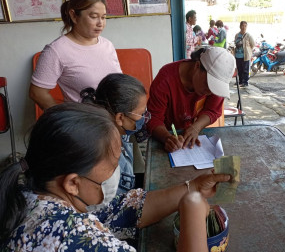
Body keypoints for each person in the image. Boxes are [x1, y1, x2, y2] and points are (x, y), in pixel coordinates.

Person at [0, 102, 231, 251]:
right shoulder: (75, 238)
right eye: (111, 167)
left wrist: (193, 188)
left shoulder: (29, 192)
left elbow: (122, 211)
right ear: (72, 183)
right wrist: (192, 210)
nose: (114, 174)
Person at [29, 0, 122, 109]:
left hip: (113, 119)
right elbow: (37, 93)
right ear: (74, 16)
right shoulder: (57, 50)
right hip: (85, 123)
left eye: (104, 17)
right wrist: (65, 119)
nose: (100, 23)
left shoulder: (107, 45)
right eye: (94, 17)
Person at [146, 47, 235, 153]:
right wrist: (167, 138)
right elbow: (154, 117)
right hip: (167, 132)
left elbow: (213, 110)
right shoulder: (166, 79)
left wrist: (196, 127)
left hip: (192, 136)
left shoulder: (214, 80)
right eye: (208, 85)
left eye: (214, 89)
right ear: (197, 66)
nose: (210, 92)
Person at [81, 73, 148, 194]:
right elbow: (116, 206)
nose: (143, 118)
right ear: (120, 117)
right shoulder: (104, 156)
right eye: (141, 114)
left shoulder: (118, 129)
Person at [234, 21, 255, 88]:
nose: (243, 27)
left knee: (245, 70)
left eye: (245, 26)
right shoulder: (237, 35)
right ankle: (240, 81)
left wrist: (248, 50)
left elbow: (253, 44)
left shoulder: (248, 35)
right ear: (240, 26)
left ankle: (245, 82)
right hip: (238, 55)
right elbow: (235, 43)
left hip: (245, 56)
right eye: (242, 26)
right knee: (239, 69)